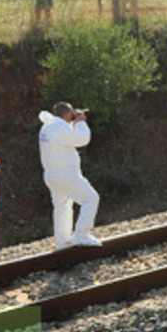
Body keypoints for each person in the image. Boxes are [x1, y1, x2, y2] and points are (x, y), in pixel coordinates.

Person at [38, 102, 101, 249]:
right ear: (67, 114)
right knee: (91, 199)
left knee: (62, 207)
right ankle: (81, 235)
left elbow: (66, 137)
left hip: (51, 174)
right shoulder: (59, 127)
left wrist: (73, 123)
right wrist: (80, 122)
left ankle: (62, 242)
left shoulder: (47, 126)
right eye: (72, 113)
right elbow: (82, 139)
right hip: (65, 173)